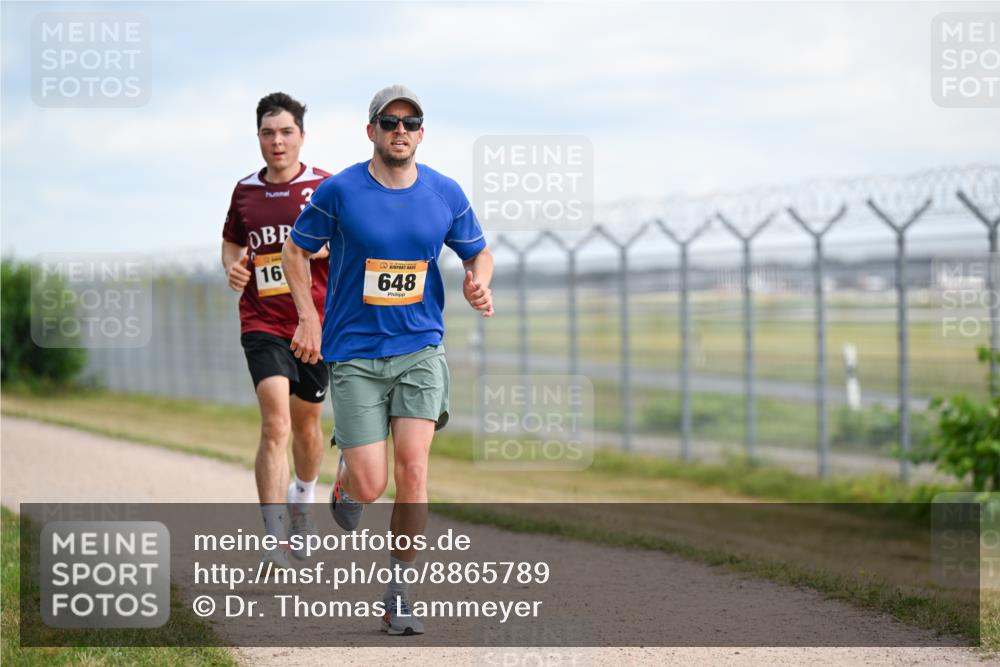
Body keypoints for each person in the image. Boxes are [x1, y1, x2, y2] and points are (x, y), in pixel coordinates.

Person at [282, 84, 494, 635]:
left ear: (421, 133)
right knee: (372, 485)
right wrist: (307, 316)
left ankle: (399, 592)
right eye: (389, 122)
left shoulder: (444, 193)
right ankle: (348, 477)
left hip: (421, 350)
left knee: (414, 471)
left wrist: (479, 282)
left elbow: (479, 251)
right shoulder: (339, 191)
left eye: (410, 123)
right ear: (371, 130)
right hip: (353, 355)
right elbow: (295, 250)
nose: (400, 131)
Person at [221, 92, 331, 570]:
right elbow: (231, 244)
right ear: (259, 138)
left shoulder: (325, 187)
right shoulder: (244, 191)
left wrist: (311, 250)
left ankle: (302, 502)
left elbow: (350, 239)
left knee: (307, 425)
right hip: (262, 321)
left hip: (316, 324)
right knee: (275, 424)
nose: (277, 141)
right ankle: (273, 538)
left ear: (301, 136)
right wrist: (233, 269)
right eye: (268, 133)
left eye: (286, 132)